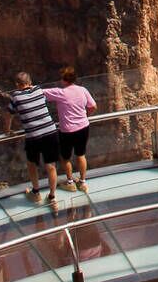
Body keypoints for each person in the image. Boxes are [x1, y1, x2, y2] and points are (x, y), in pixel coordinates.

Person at [9, 70, 61, 208]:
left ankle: (36, 192)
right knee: (51, 166)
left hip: (33, 136)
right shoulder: (39, 90)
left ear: (17, 84)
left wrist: (7, 130)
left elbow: (9, 114)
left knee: (32, 164)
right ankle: (52, 196)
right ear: (30, 82)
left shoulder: (15, 96)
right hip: (50, 131)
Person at [46, 64, 98, 197]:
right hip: (83, 127)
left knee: (65, 157)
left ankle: (70, 182)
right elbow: (93, 106)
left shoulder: (61, 92)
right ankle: (82, 182)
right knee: (81, 155)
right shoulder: (83, 90)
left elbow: (43, 92)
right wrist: (85, 116)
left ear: (64, 79)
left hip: (67, 130)